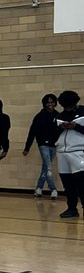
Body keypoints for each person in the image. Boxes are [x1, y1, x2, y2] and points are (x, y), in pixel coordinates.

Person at [55, 90, 84, 219]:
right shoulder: (60, 116)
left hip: (78, 151)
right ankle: (71, 208)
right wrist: (60, 128)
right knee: (67, 183)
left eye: (69, 106)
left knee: (82, 182)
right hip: (62, 152)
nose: (67, 109)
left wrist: (76, 127)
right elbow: (51, 134)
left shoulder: (83, 112)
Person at [23, 94, 59, 198]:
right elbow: (32, 132)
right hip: (43, 145)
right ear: (44, 104)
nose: (50, 104)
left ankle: (39, 188)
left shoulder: (58, 115)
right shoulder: (39, 116)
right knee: (49, 167)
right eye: (48, 102)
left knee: (45, 167)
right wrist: (27, 148)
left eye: (52, 102)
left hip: (54, 145)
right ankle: (53, 189)